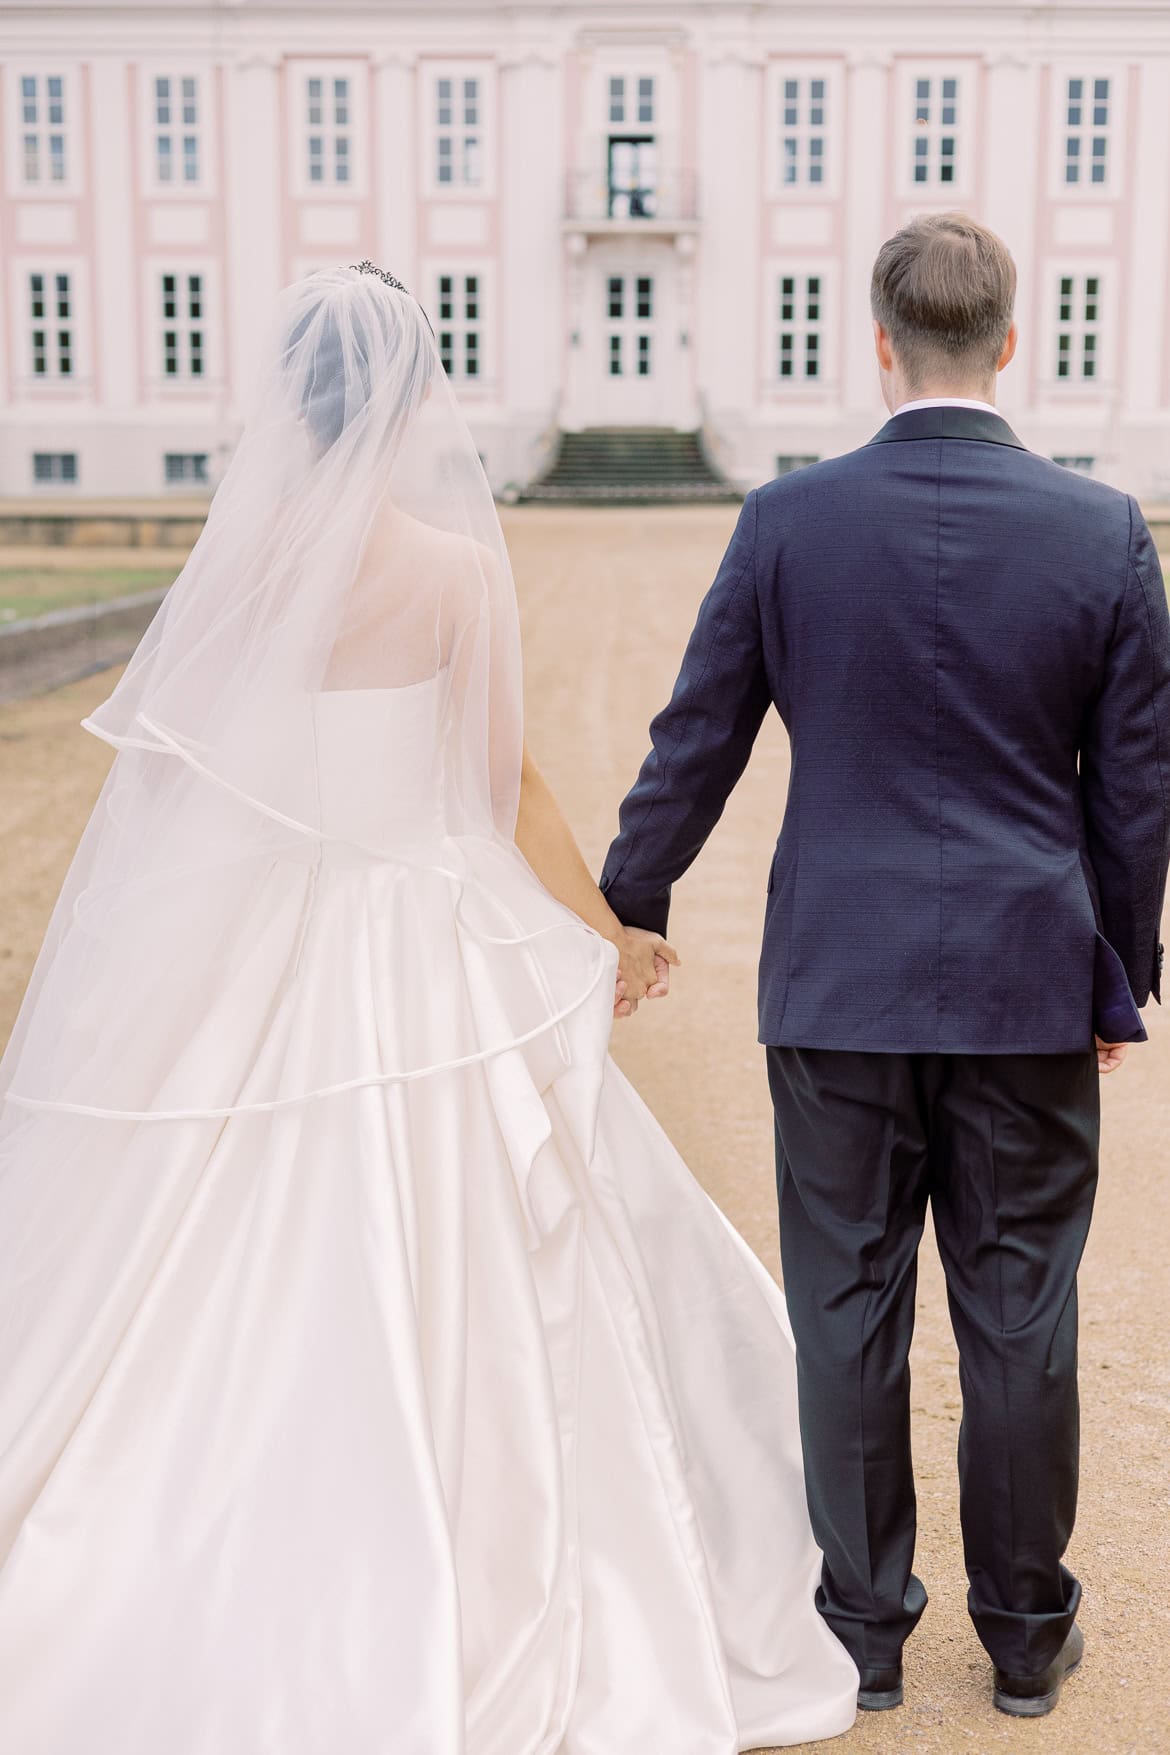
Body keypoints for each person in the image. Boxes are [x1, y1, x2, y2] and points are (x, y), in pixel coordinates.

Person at [0, 264, 858, 1753]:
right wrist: (607, 930)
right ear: (405, 401)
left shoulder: (242, 560)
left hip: (257, 942)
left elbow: (172, 784)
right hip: (414, 939)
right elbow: (497, 789)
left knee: (190, 1240)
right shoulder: (451, 567)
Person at [601, 211, 1170, 1719]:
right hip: (1019, 978)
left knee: (844, 1313)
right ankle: (1024, 1635)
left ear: (874, 343)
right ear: (1005, 343)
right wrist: (1115, 969)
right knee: (1020, 1313)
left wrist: (628, 898)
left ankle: (860, 1633)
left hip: (838, 982)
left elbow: (697, 736)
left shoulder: (788, 522)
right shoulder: (1100, 529)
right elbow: (1133, 790)